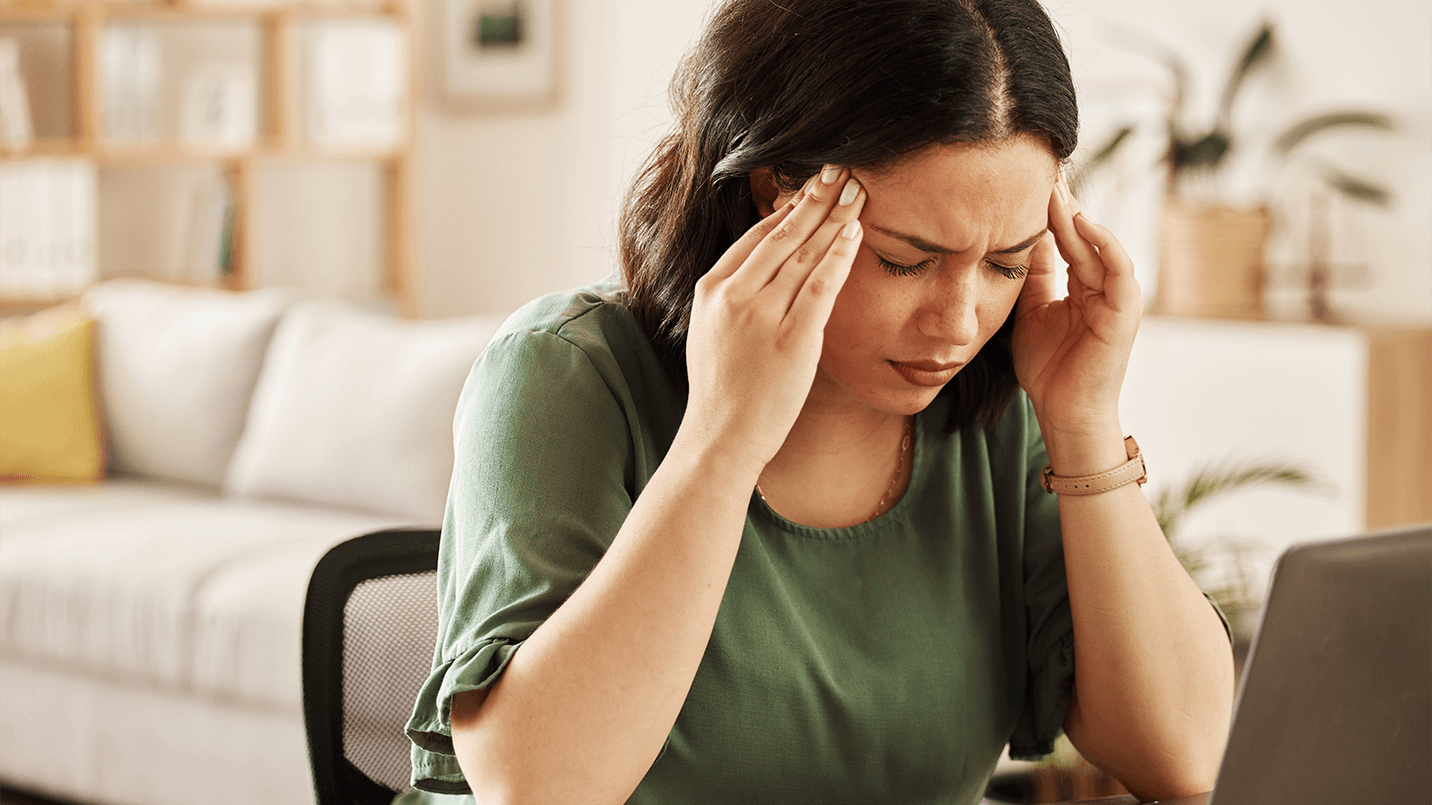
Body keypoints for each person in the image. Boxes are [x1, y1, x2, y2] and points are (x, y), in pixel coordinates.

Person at [403, 1, 1236, 803]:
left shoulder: (999, 404)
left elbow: (1183, 751)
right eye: (909, 260)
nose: (958, 323)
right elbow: (537, 789)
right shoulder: (565, 374)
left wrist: (1083, 421)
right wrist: (724, 438)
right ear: (780, 192)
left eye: (1005, 265)